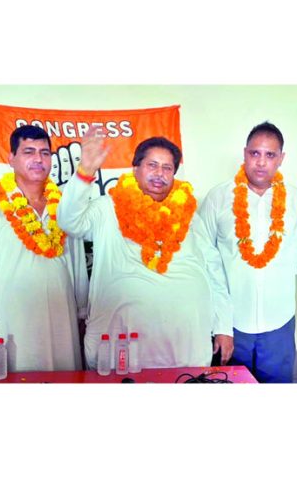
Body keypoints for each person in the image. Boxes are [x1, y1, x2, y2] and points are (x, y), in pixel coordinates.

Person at [57, 128, 233, 370]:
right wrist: (85, 173)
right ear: (135, 169)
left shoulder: (189, 215)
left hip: (186, 343)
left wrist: (223, 326)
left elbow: (213, 268)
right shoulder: (108, 207)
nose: (159, 174)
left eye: (167, 168)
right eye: (152, 165)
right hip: (124, 340)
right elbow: (68, 221)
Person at [0, 125, 88, 372]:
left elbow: (77, 266)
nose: (38, 159)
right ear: (11, 158)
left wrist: (83, 317)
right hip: (12, 327)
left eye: (44, 153)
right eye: (28, 151)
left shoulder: (65, 206)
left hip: (63, 322)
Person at [199, 121, 297, 383]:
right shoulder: (218, 197)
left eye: (270, 155)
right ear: (244, 153)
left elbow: (295, 255)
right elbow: (205, 257)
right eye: (255, 153)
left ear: (281, 159)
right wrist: (220, 324)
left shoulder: (296, 200)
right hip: (231, 322)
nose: (261, 162)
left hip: (279, 320)